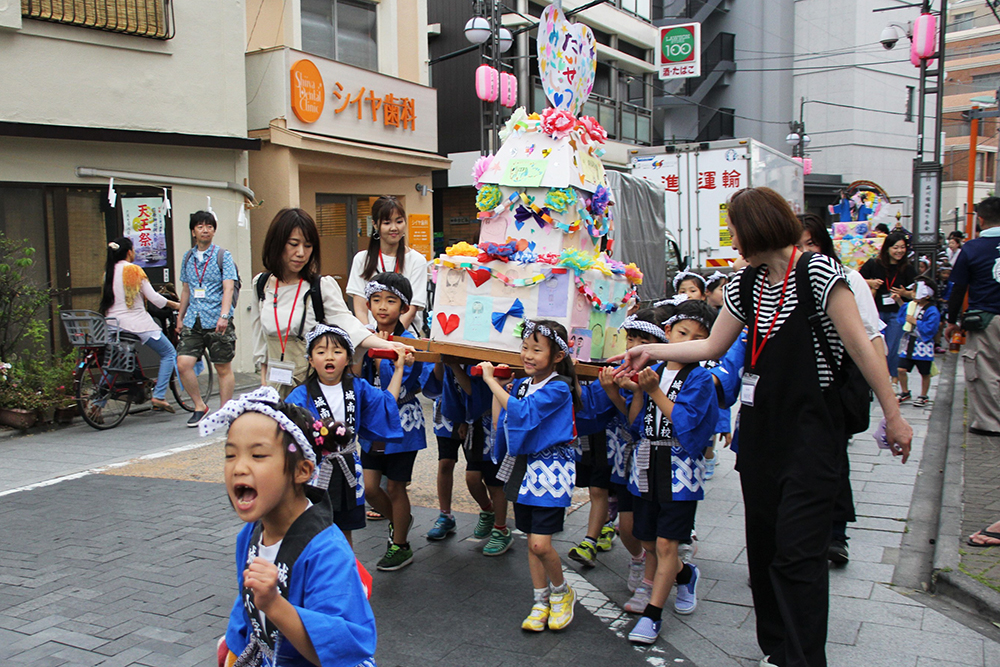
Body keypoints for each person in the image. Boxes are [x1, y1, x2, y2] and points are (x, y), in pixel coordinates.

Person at [614, 187, 913, 667]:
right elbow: (711, 347)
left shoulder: (818, 273)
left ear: (756, 228)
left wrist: (893, 413)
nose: (732, 239)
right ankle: (775, 649)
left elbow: (861, 346)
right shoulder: (743, 283)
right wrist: (652, 350)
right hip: (761, 428)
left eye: (734, 228)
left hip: (813, 429)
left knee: (799, 553)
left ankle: (803, 658)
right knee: (766, 548)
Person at [202, 388, 377, 667]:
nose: (238, 468)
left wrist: (274, 604)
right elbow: (246, 605)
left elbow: (344, 648)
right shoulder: (250, 534)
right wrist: (233, 651)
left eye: (257, 455)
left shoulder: (327, 551)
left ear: (302, 471)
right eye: (230, 455)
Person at [625, 299, 719, 645]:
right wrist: (630, 391)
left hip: (680, 469)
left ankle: (653, 615)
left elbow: (687, 426)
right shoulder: (655, 369)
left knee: (667, 543)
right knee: (648, 539)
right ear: (667, 332)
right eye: (682, 333)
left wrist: (652, 391)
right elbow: (635, 425)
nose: (687, 342)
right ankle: (685, 573)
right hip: (646, 463)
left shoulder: (700, 378)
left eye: (698, 338)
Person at [798, 214, 887, 565]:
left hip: (834, 389)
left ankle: (835, 535)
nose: (805, 251)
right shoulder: (777, 281)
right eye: (798, 245)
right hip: (794, 395)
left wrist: (888, 404)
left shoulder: (845, 279)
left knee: (833, 461)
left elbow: (870, 336)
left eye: (811, 243)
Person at [480, 320, 579, 633]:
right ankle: (540, 600)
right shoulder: (522, 385)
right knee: (529, 540)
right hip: (523, 467)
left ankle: (562, 592)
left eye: (537, 349)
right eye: (525, 347)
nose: (528, 354)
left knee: (539, 543)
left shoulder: (560, 387)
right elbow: (506, 419)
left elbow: (522, 414)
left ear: (558, 355)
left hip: (551, 470)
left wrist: (490, 381)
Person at [251, 208, 404, 398]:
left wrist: (387, 345)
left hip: (310, 388)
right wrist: (265, 388)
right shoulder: (261, 284)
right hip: (274, 387)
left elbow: (349, 326)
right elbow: (261, 342)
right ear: (277, 243)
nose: (301, 253)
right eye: (293, 244)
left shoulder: (320, 286)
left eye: (308, 246)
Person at [286, 325, 404, 546]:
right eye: (321, 352)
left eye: (337, 352)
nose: (329, 357)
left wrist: (398, 370)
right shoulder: (300, 395)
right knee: (313, 530)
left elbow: (386, 403)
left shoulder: (358, 388)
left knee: (344, 531)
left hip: (348, 466)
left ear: (349, 358)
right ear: (310, 360)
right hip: (314, 471)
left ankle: (344, 574)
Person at [356, 273, 427, 571]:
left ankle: (400, 544)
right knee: (370, 488)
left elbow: (411, 384)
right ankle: (400, 521)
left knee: (397, 488)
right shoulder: (363, 335)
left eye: (390, 301)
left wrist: (381, 362)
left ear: (404, 306)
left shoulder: (410, 342)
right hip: (372, 425)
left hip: (402, 425)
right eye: (376, 300)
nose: (382, 307)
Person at [423, 361, 513, 556]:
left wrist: (455, 366)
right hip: (473, 423)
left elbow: (475, 392)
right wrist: (461, 419)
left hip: (492, 424)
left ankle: (501, 529)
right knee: (472, 477)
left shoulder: (488, 362)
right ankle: (487, 511)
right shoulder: (450, 364)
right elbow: (438, 385)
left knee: (495, 483)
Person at [99, 237, 180, 415]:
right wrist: (175, 305)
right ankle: (159, 396)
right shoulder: (133, 270)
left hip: (112, 324)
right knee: (169, 353)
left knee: (115, 362)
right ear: (129, 252)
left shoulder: (108, 272)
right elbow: (154, 298)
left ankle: (97, 406)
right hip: (136, 322)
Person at [176, 211, 238, 426]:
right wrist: (180, 316)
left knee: (222, 367)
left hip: (217, 319)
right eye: (200, 226)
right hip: (194, 319)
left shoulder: (223, 255)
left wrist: (224, 315)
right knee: (183, 363)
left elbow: (228, 286)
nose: (205, 230)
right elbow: (186, 289)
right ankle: (199, 406)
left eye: (209, 226)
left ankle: (225, 410)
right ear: (193, 231)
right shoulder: (187, 257)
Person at [946, 196, 1000, 437]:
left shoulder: (971, 248)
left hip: (986, 318)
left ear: (980, 219)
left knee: (986, 370)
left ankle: (991, 422)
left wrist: (951, 321)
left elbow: (958, 288)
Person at [346, 196, 428, 331]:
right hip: (371, 338)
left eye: (399, 221)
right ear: (375, 225)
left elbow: (412, 308)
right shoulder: (362, 259)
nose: (394, 228)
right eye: (387, 223)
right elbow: (360, 306)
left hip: (404, 338)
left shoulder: (417, 260)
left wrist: (391, 337)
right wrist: (370, 333)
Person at [859, 231, 916, 381]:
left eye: (902, 247)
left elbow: (918, 295)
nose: (899, 251)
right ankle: (877, 378)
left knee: (892, 348)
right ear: (887, 248)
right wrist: (871, 283)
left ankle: (893, 380)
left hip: (896, 314)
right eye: (895, 247)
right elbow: (856, 280)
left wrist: (905, 292)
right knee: (874, 348)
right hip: (875, 312)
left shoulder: (908, 268)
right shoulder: (874, 264)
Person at [897, 277, 940, 407]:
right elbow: (905, 313)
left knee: (924, 372)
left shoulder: (932, 310)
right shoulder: (913, 305)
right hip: (909, 341)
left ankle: (923, 395)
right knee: (901, 369)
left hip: (923, 345)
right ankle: (905, 391)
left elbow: (931, 327)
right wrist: (898, 300)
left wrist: (915, 322)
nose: (913, 294)